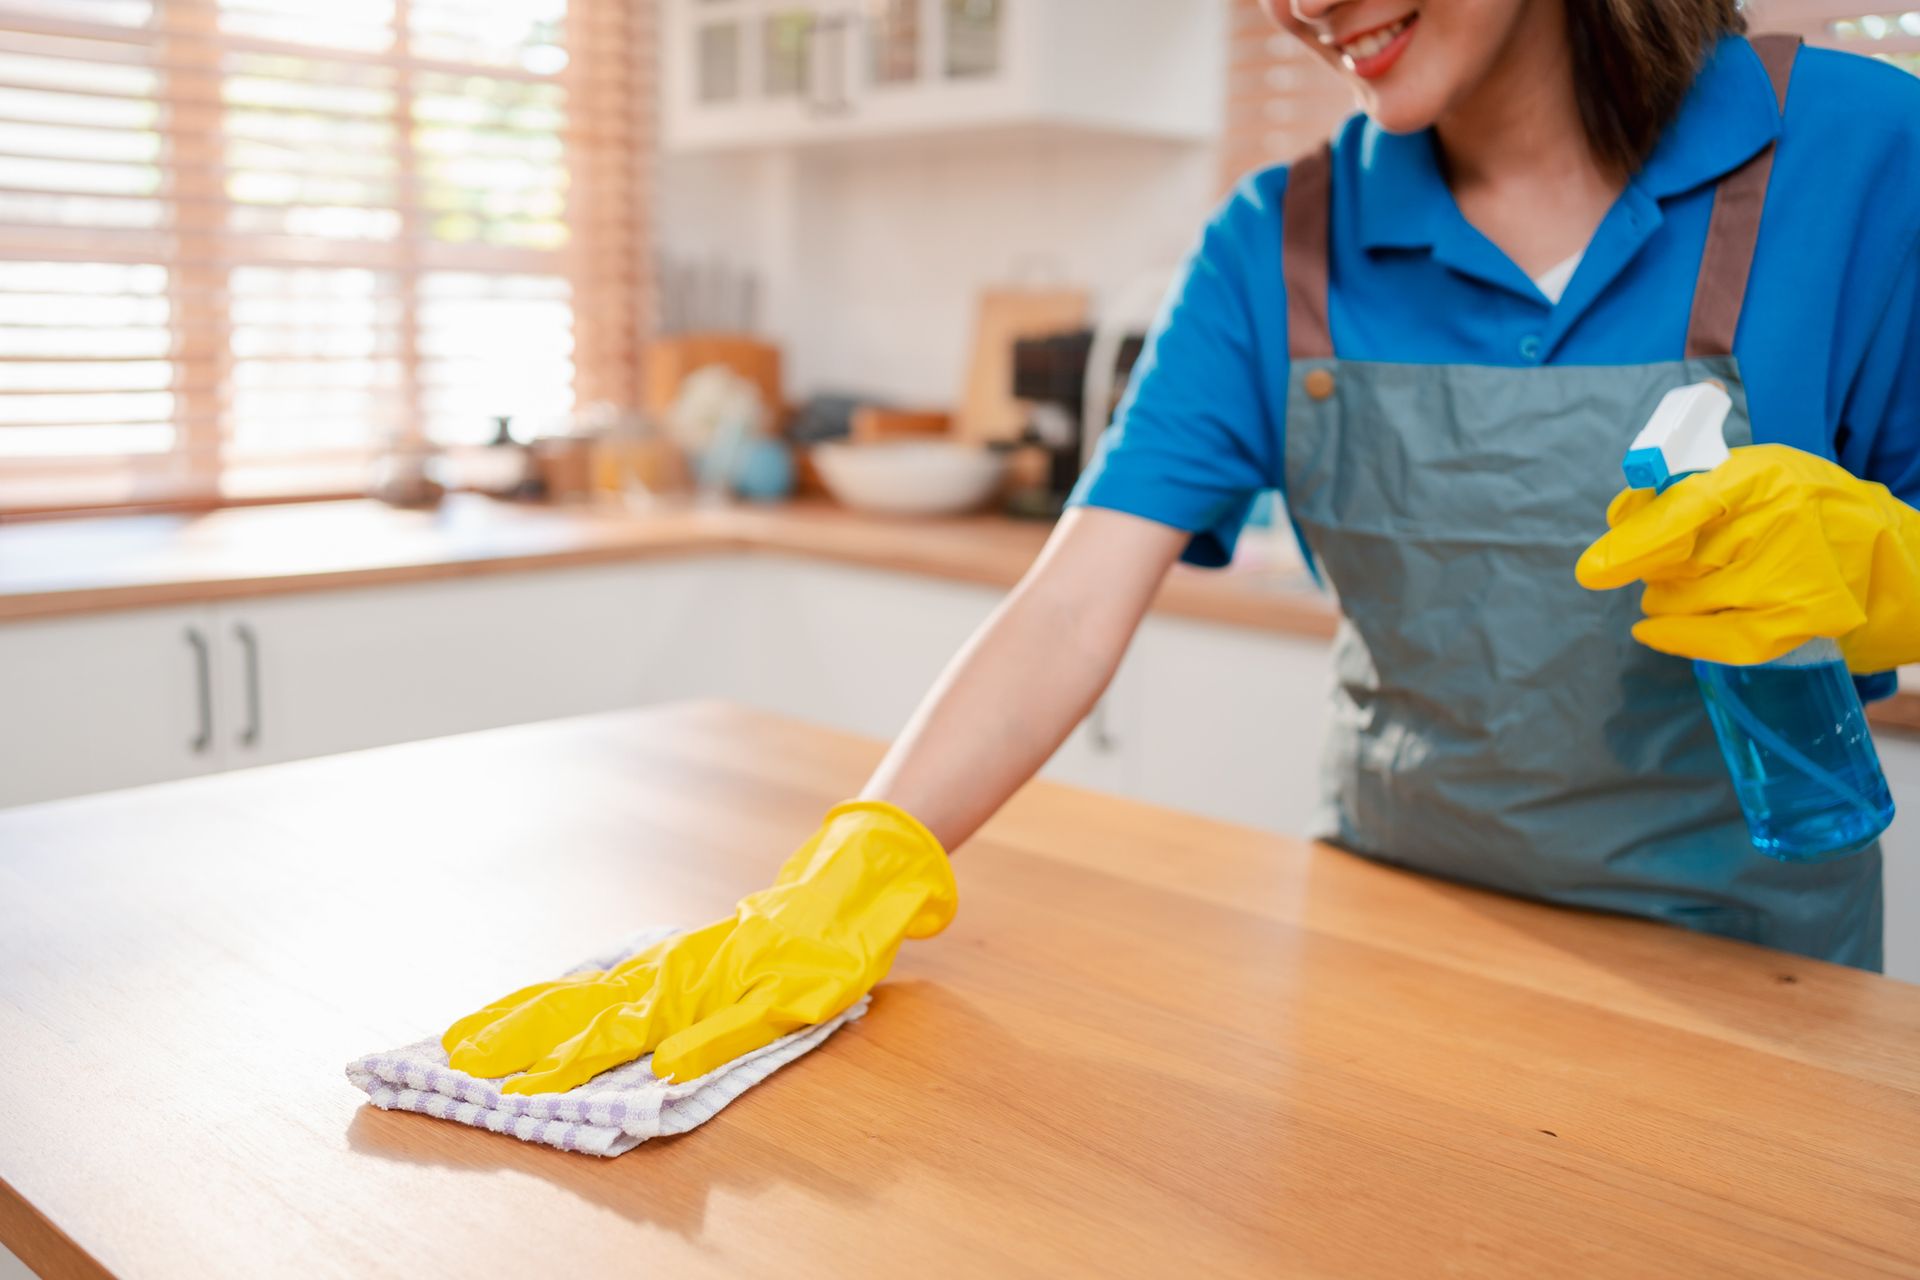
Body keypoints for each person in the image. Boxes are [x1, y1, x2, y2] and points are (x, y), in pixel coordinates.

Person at [441, 0, 1920, 1093]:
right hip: (1384, 955)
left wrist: (1891, 569)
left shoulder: (1870, 157)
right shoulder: (1282, 242)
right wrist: (853, 864)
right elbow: (1073, 600)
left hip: (1752, 982)